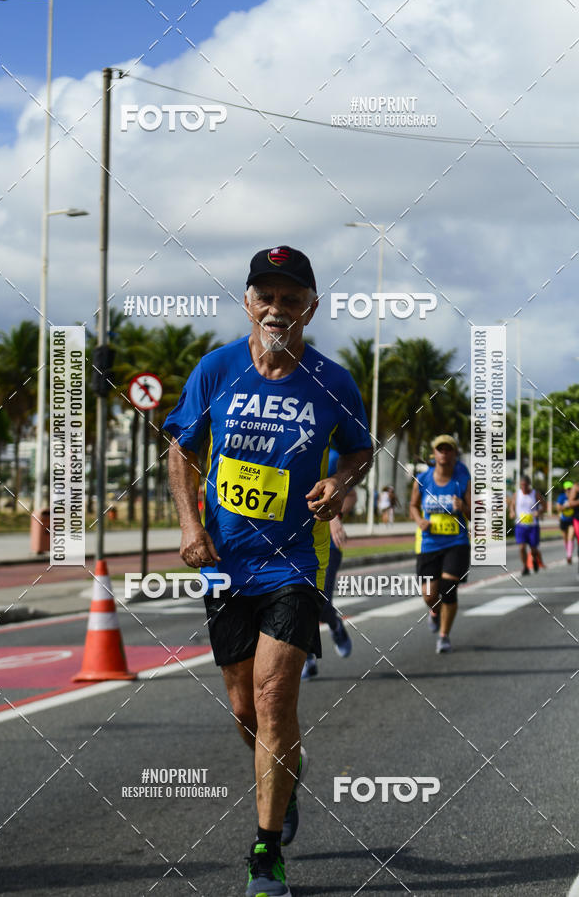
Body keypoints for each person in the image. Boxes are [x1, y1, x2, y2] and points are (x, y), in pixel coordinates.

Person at [164, 245, 372, 897]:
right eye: (267, 296)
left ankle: (265, 853)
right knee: (243, 710)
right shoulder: (216, 369)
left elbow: (360, 450)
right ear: (250, 301)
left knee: (275, 699)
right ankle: (289, 771)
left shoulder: (331, 381)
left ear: (310, 306)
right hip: (227, 565)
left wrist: (339, 482)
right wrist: (190, 526)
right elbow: (183, 448)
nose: (277, 308)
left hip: (294, 565)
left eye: (291, 298)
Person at [409, 435, 471, 654]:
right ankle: (435, 612)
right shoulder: (424, 479)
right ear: (434, 454)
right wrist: (419, 520)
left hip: (456, 542)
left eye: (448, 449)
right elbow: (413, 506)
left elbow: (474, 513)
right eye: (440, 449)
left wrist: (463, 505)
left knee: (448, 589)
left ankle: (444, 636)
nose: (444, 453)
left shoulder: (462, 479)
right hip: (429, 544)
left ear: (454, 454)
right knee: (429, 595)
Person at [301, 446, 355, 680]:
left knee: (321, 603)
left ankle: (335, 626)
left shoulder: (332, 455)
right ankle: (308, 659)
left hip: (327, 545)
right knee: (299, 604)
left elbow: (351, 494)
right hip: (293, 544)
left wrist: (336, 516)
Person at [509, 475, 545, 575]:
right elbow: (512, 505)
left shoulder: (535, 494)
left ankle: (534, 559)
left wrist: (539, 512)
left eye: (525, 485)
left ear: (529, 485)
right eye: (522, 485)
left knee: (533, 549)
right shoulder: (517, 494)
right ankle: (525, 567)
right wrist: (511, 512)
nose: (523, 487)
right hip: (520, 525)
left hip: (533, 526)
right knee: (522, 547)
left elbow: (544, 506)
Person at [555, 481, 575, 565]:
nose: (569, 491)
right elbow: (558, 508)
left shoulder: (574, 497)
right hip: (563, 520)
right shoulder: (561, 497)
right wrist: (565, 506)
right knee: (565, 539)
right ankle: (568, 552)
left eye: (571, 489)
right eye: (568, 489)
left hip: (572, 520)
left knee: (571, 538)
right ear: (565, 489)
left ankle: (569, 555)